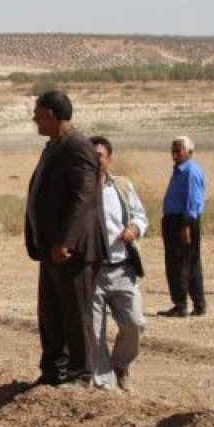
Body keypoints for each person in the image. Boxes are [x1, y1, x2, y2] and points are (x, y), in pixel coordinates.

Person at [25, 90, 105, 387]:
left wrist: (66, 241)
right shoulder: (53, 147)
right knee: (50, 312)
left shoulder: (78, 147)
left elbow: (83, 198)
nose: (34, 118)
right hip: (50, 248)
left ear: (50, 114)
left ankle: (80, 373)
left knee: (75, 312)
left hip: (73, 250)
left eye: (37, 113)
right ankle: (53, 370)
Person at [88, 136, 148, 392]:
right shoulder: (80, 191)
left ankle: (121, 364)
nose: (96, 160)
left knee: (134, 323)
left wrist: (134, 228)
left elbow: (139, 215)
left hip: (122, 267)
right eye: (92, 156)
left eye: (100, 155)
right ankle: (104, 385)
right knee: (94, 331)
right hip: (92, 270)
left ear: (109, 159)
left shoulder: (122, 187)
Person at [159, 136, 207, 318]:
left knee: (179, 262)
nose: (175, 154)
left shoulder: (190, 171)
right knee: (189, 261)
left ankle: (181, 305)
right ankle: (198, 304)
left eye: (178, 150)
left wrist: (186, 225)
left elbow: (193, 200)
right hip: (176, 220)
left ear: (189, 151)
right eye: (173, 150)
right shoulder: (180, 170)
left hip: (182, 221)